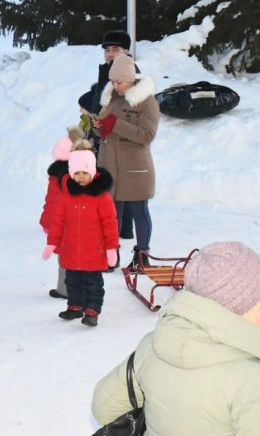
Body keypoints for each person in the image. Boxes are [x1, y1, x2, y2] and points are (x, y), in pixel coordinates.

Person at [92, 241, 260, 434]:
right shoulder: (255, 384)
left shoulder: (152, 346)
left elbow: (104, 408)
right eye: (259, 295)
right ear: (234, 304)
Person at [93, 54, 159, 269]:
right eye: (112, 81)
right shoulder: (112, 97)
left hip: (134, 168)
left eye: (119, 81)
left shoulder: (147, 101)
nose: (115, 85)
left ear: (131, 79)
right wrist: (98, 126)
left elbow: (147, 135)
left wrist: (116, 124)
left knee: (139, 211)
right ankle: (112, 255)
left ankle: (142, 257)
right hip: (110, 164)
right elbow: (106, 124)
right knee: (111, 214)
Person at [42, 147, 118, 327]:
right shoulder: (65, 196)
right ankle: (75, 307)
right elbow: (57, 222)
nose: (81, 177)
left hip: (94, 251)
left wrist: (111, 248)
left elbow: (110, 223)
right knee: (72, 281)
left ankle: (92, 310)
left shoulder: (102, 197)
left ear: (92, 171)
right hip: (71, 250)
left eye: (85, 172)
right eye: (77, 173)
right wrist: (52, 243)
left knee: (93, 283)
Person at [78, 29, 138, 240]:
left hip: (117, 136)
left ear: (126, 51)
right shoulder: (107, 71)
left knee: (116, 186)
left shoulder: (127, 73)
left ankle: (117, 232)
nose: (110, 54)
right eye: (107, 50)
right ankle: (120, 228)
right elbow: (99, 98)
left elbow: (125, 106)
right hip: (102, 132)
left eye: (116, 49)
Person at [38, 128, 84, 300]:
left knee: (66, 258)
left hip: (62, 223)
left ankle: (66, 289)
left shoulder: (58, 176)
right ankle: (72, 287)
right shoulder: (83, 175)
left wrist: (47, 222)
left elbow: (51, 201)